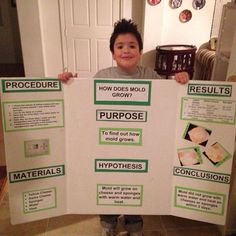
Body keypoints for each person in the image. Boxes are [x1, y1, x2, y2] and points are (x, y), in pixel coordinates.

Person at [59, 19, 189, 236]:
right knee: (108, 183)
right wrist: (69, 84)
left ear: (139, 50)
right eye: (120, 46)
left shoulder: (150, 76)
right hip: (107, 146)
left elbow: (168, 102)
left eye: (132, 46)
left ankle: (134, 225)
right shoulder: (102, 76)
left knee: (137, 184)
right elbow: (84, 106)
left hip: (140, 146)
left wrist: (181, 81)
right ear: (112, 52)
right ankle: (108, 224)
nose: (126, 50)